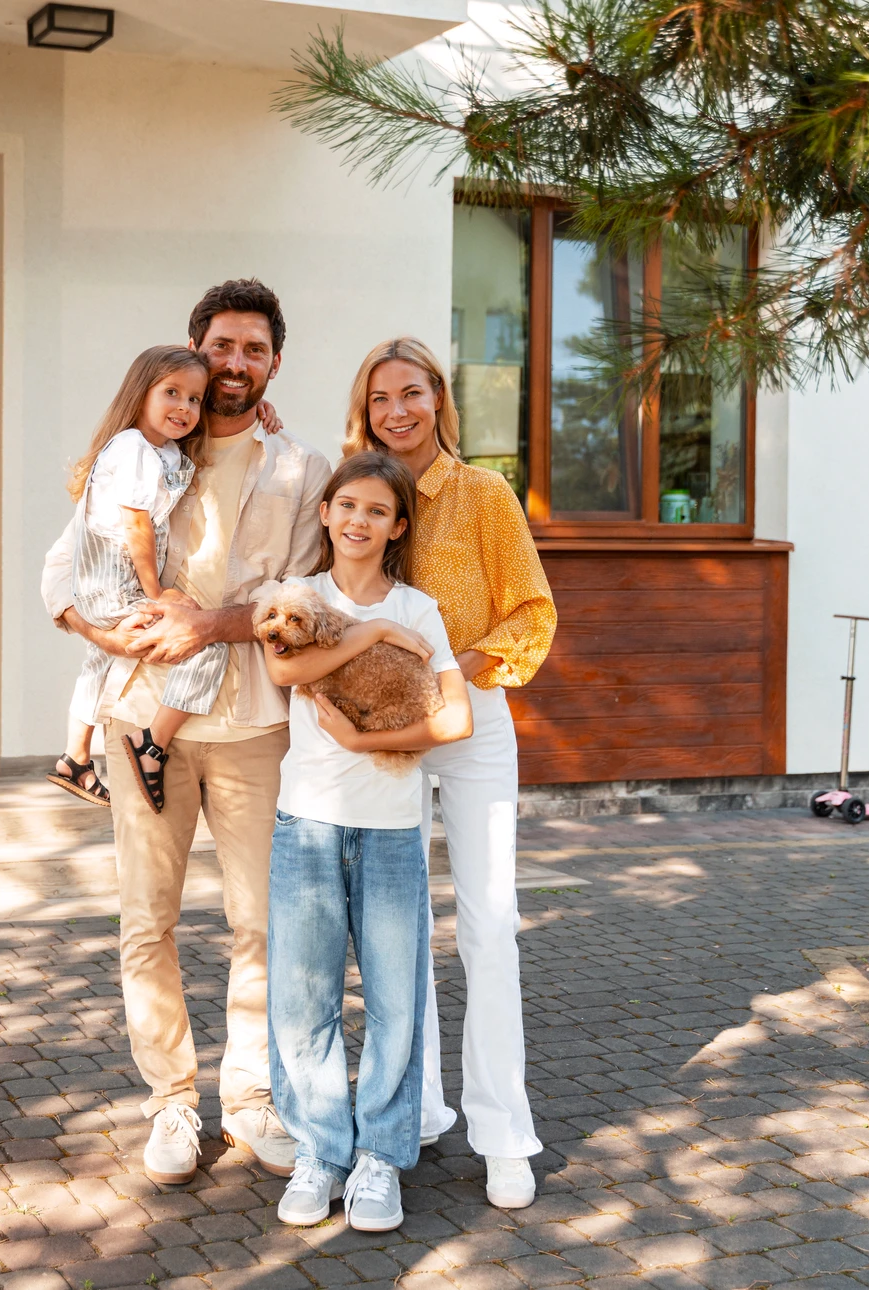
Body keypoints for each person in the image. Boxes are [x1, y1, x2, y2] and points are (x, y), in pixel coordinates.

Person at [41, 280, 331, 1185]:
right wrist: (93, 631)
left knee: (262, 924)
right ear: (193, 351)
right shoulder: (144, 449)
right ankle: (171, 1102)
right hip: (139, 717)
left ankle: (250, 1099)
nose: (234, 363)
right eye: (220, 347)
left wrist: (212, 625)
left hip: (251, 725)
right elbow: (68, 564)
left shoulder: (302, 468)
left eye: (252, 349)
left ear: (273, 361)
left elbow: (306, 601)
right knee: (146, 922)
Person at [342, 337, 555, 1209]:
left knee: (489, 924)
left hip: (471, 725)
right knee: (397, 930)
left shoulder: (482, 494)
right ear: (365, 409)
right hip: (385, 733)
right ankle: (415, 1108)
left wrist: (453, 674)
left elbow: (531, 611)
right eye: (380, 397)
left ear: (439, 399)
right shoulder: (360, 497)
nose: (398, 410)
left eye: (412, 393)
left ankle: (503, 1131)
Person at [260, 452, 473, 1232]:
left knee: (393, 1001)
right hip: (306, 824)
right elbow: (289, 671)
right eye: (345, 505)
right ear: (325, 513)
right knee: (303, 1000)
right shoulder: (293, 598)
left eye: (376, 511)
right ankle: (320, 1151)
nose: (357, 521)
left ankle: (380, 1158)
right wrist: (372, 631)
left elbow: (455, 720)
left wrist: (360, 741)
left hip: (390, 829)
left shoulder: (421, 609)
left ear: (397, 526)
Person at [46, 346, 221, 810]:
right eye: (171, 393)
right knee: (209, 643)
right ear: (140, 393)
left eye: (196, 400)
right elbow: (137, 526)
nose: (184, 408)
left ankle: (75, 757)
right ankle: (153, 744)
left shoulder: (158, 450)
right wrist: (156, 594)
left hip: (99, 586)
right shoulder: (133, 450)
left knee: (96, 662)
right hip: (113, 584)